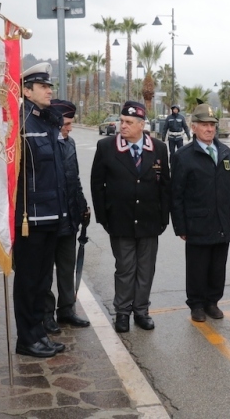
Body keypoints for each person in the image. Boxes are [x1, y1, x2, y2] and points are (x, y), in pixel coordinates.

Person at [91, 101, 171, 333]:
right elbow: (98, 185)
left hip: (149, 220)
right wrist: (104, 218)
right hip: (120, 220)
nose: (122, 126)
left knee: (146, 269)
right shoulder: (106, 147)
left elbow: (165, 186)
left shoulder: (158, 148)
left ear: (141, 125)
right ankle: (123, 313)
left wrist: (163, 218)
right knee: (125, 268)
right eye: (122, 121)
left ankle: (141, 311)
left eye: (128, 122)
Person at [13, 63, 68, 358]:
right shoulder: (20, 124)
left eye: (49, 86)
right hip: (30, 217)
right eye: (43, 86)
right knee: (28, 281)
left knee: (43, 281)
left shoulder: (46, 122)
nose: (49, 90)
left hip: (51, 215)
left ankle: (39, 334)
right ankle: (27, 338)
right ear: (26, 90)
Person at [171, 102, 230, 322]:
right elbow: (177, 195)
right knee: (197, 266)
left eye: (212, 125)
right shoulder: (183, 156)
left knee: (218, 265)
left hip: (222, 220)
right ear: (193, 128)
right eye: (204, 125)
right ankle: (197, 305)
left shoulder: (224, 151)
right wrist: (181, 226)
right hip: (197, 221)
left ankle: (212, 302)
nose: (210, 129)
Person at [43, 99, 90, 335]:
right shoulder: (45, 145)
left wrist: (82, 207)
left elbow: (75, 179)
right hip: (49, 219)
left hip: (69, 219)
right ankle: (46, 314)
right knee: (45, 272)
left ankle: (66, 309)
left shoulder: (69, 144)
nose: (70, 127)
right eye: (67, 123)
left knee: (66, 267)